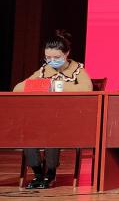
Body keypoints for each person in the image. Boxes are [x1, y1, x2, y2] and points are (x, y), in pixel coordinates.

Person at [13, 30, 93, 189]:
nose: (52, 61)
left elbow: (87, 88)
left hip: (67, 120)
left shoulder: (77, 70)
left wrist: (57, 86)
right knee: (27, 131)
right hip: (43, 118)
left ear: (66, 53)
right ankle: (37, 172)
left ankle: (50, 173)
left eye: (56, 58)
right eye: (48, 57)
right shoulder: (44, 71)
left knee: (52, 131)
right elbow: (17, 88)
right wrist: (40, 84)